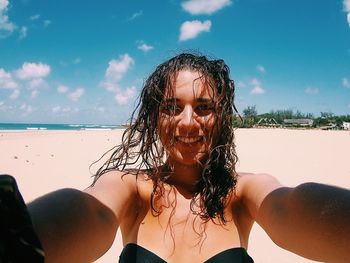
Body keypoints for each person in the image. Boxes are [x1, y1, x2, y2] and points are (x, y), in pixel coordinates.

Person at [24, 53, 350, 263]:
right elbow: (90, 210)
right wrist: (17, 237)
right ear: (156, 118)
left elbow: (289, 206)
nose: (188, 121)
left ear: (220, 118)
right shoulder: (130, 189)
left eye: (204, 107)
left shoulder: (241, 193)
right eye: (172, 107)